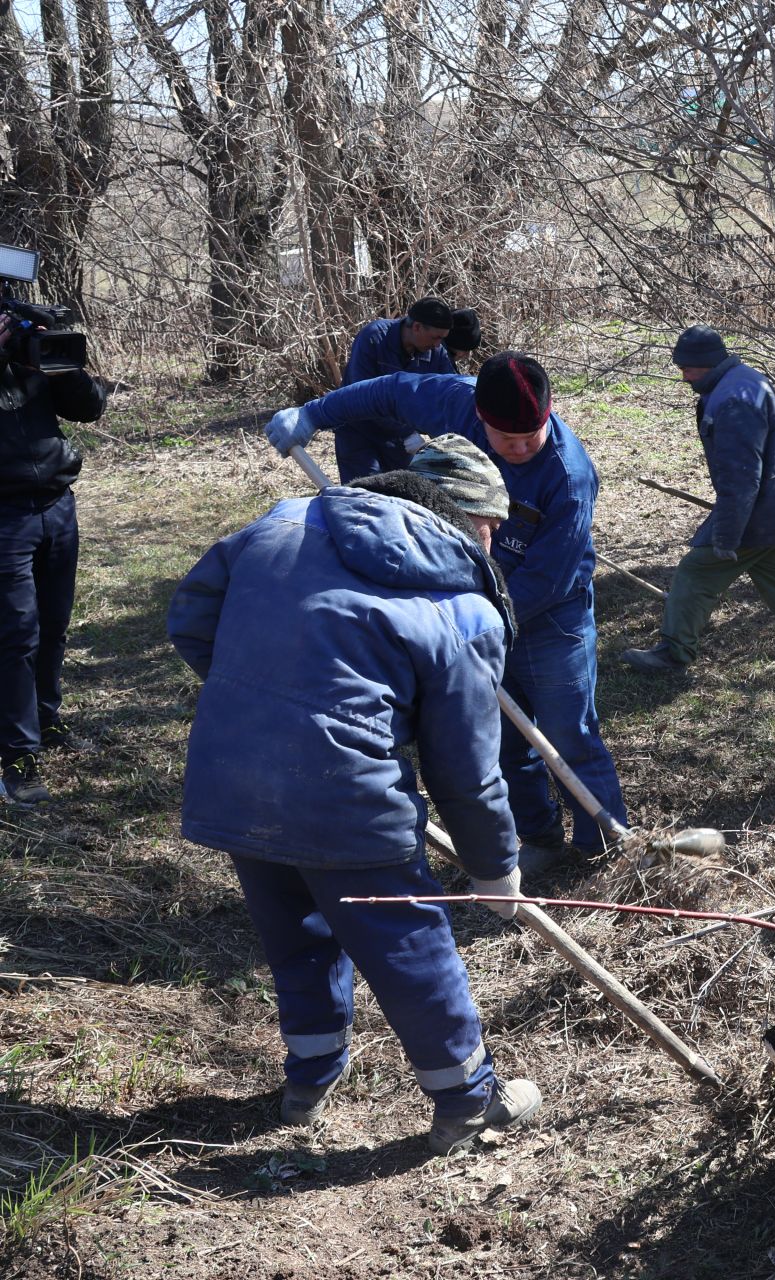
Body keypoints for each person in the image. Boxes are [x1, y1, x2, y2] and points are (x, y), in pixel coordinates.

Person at [166, 436, 541, 1155]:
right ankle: (467, 1099)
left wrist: (263, 696)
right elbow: (464, 768)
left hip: (235, 772)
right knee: (409, 941)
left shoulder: (281, 524)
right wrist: (496, 869)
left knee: (293, 927)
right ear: (460, 517)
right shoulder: (463, 611)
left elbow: (191, 618)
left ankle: (309, 1075)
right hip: (345, 797)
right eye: (492, 523)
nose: (497, 540)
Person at [265, 353, 631, 870]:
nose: (523, 448)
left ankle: (605, 847)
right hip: (466, 601)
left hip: (551, 617)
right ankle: (539, 837)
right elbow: (388, 388)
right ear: (479, 418)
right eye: (509, 440)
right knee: (503, 735)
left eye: (534, 435)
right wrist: (315, 414)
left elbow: (549, 577)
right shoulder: (455, 401)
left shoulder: (568, 478)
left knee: (567, 732)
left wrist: (484, 624)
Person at [621, 325, 775, 692]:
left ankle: (674, 653)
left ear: (706, 364)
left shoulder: (733, 401)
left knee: (696, 572)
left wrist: (726, 535)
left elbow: (741, 479)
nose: (683, 375)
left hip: (759, 515)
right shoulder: (742, 381)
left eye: (687, 368)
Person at [0, 335, 108, 805]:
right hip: (4, 517)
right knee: (16, 636)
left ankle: (47, 719)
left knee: (53, 625)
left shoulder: (28, 351)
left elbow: (89, 409)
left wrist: (60, 364)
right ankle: (18, 759)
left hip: (57, 505)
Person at [336, 297, 458, 481]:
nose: (437, 344)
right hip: (359, 433)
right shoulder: (374, 338)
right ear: (416, 327)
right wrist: (406, 432)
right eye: (435, 337)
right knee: (366, 494)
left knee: (401, 495)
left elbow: (451, 394)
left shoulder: (436, 353)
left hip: (400, 440)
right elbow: (360, 396)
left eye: (442, 339)